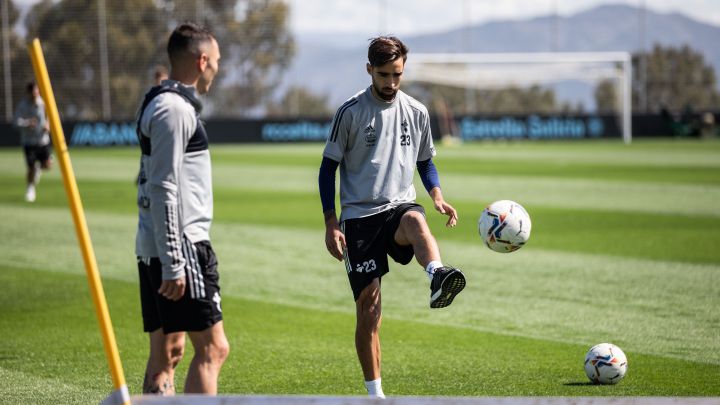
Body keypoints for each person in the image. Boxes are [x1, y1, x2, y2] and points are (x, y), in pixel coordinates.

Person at [318, 36, 466, 398]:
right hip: (358, 218)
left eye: (397, 74)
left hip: (398, 207)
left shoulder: (416, 111)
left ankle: (438, 274)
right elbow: (327, 170)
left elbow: (425, 161)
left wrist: (437, 196)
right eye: (383, 74)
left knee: (416, 221)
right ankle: (376, 395)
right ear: (369, 69)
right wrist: (331, 222)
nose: (391, 82)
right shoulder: (350, 112)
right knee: (369, 310)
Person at [135, 22, 228, 395]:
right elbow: (163, 186)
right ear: (202, 60)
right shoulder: (173, 108)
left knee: (168, 352)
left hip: (156, 244)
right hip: (182, 246)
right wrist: (174, 261)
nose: (218, 69)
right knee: (213, 348)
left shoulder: (163, 101)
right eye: (217, 61)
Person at [13, 81, 52, 202]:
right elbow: (16, 122)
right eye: (33, 92)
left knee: (47, 165)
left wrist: (48, 125)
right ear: (29, 93)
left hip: (42, 140)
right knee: (30, 168)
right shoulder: (22, 105)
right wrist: (27, 123)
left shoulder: (43, 103)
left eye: (37, 92)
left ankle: (39, 168)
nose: (36, 94)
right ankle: (30, 188)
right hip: (29, 142)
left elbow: (50, 117)